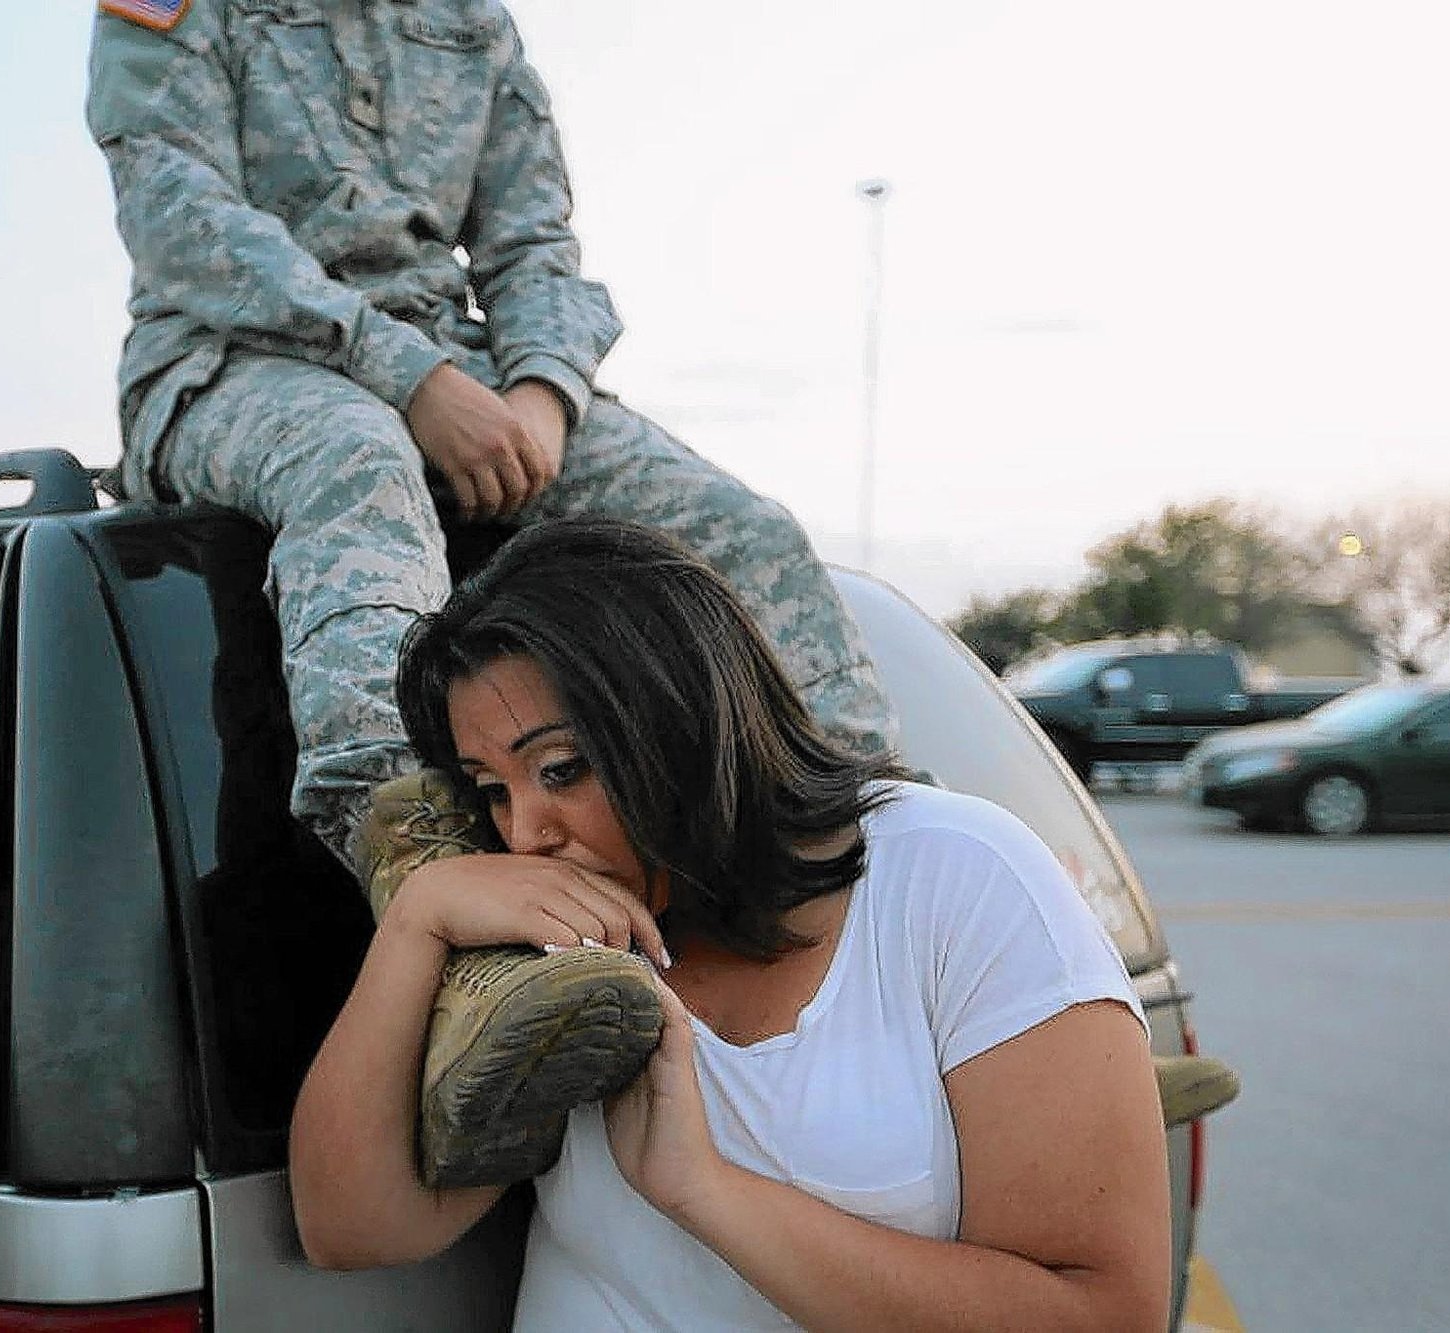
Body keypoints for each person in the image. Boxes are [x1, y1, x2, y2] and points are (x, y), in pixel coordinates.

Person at [85, 0, 898, 1185]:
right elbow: (180, 224)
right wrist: (407, 375)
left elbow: (532, 241)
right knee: (353, 468)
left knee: (742, 529)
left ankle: (912, 957)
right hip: (233, 363)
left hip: (473, 374)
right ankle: (453, 941)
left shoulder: (464, 18)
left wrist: (541, 395)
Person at [291, 519, 1175, 1331]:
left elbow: (1101, 1313)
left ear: (686, 722)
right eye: (492, 789)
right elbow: (353, 1227)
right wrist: (417, 918)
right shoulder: (548, 952)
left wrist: (704, 1190)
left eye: (560, 769)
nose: (524, 833)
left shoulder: (957, 879)